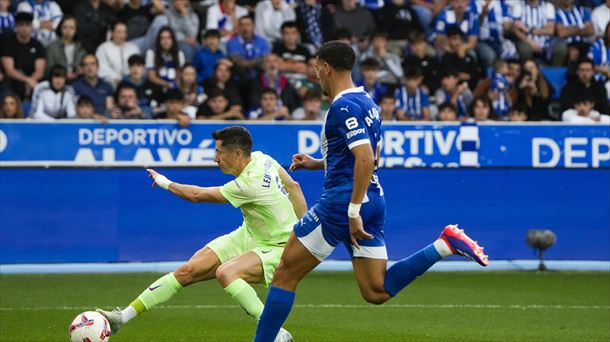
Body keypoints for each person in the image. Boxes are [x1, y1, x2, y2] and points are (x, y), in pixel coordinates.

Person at [253, 41, 489, 342]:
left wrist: (352, 211)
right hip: (374, 200)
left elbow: (365, 157)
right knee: (376, 290)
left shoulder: (342, 106)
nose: (316, 76)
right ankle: (445, 244)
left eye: (316, 69)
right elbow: (366, 156)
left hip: (344, 204)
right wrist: (318, 164)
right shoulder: (368, 103)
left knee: (285, 273)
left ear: (326, 67)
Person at [97, 126, 306, 342]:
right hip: (250, 234)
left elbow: (197, 195)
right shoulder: (263, 158)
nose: (215, 159)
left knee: (226, 273)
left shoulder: (248, 184)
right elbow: (294, 187)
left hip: (278, 246)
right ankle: (122, 318)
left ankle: (276, 332)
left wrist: (164, 182)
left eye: (219, 152)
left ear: (237, 153)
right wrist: (306, 227)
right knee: (188, 270)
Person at [0, 12, 46, 100]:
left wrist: (30, 81)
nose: (24, 28)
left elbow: (40, 71)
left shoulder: (37, 45)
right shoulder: (7, 43)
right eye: (21, 25)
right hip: (13, 79)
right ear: (16, 26)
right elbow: (9, 70)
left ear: (31, 26)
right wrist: (27, 80)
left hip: (32, 78)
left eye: (28, 25)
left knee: (43, 84)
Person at [510, 0, 565, 66]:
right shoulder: (518, 6)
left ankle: (554, 73)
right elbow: (515, 29)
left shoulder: (548, 6)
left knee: (561, 49)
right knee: (525, 49)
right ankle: (526, 71)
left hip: (546, 42)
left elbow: (550, 30)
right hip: (526, 41)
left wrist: (528, 30)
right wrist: (531, 43)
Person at [96, 21, 140, 86]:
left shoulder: (133, 48)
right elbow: (102, 68)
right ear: (112, 33)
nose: (122, 35)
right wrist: (117, 78)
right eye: (119, 32)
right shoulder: (103, 48)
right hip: (110, 83)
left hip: (130, 82)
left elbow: (138, 66)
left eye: (124, 32)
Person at [226, 14, 271, 79]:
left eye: (248, 25)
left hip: (260, 78)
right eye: (242, 25)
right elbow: (240, 63)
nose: (245, 28)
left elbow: (265, 60)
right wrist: (258, 60)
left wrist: (247, 63)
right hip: (239, 79)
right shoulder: (232, 43)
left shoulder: (262, 42)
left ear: (253, 26)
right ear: (238, 27)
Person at [45, 16, 87, 81]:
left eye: (71, 28)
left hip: (78, 80)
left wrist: (82, 70)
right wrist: (64, 74)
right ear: (60, 29)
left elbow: (85, 66)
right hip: (57, 80)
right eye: (65, 27)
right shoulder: (52, 47)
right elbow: (49, 69)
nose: (68, 30)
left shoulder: (82, 47)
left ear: (76, 30)